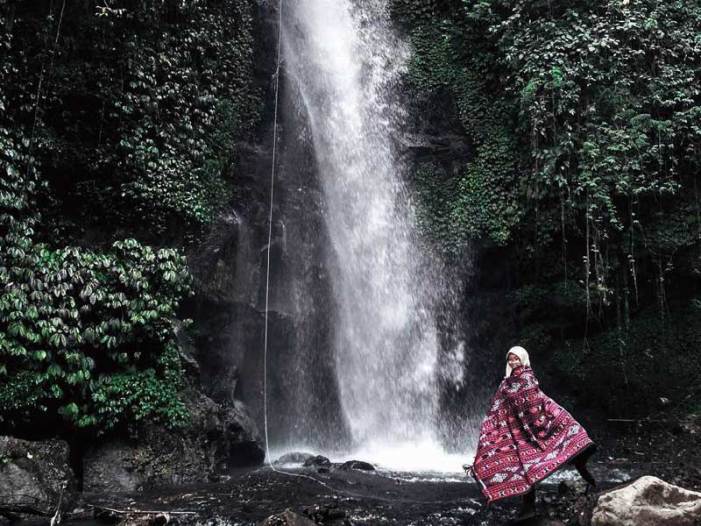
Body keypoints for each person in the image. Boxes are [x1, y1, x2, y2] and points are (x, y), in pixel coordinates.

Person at [466, 346, 597, 519]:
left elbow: (533, 403)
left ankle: (586, 474)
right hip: (516, 431)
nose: (513, 362)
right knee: (524, 467)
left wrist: (530, 420)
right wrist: (492, 427)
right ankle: (529, 508)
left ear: (523, 359)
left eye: (516, 358)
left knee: (572, 445)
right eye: (510, 359)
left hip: (537, 424)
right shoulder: (505, 383)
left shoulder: (528, 377)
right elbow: (497, 407)